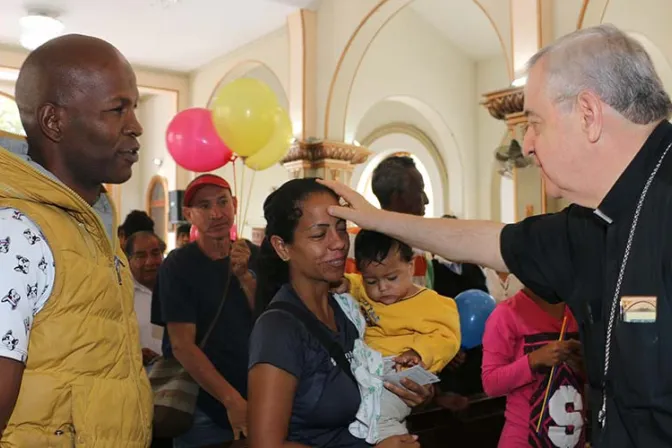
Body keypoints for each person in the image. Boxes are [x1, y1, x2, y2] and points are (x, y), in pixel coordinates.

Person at [319, 23, 672, 447]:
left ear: (588, 114)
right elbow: (486, 241)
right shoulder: (591, 222)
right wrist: (378, 220)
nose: (527, 144)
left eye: (536, 123)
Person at [0, 34, 152, 445]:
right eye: (117, 109)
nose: (136, 126)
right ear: (54, 121)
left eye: (134, 108)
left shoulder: (94, 227)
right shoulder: (18, 233)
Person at [247, 178, 431, 448]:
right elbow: (265, 445)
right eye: (319, 235)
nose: (339, 244)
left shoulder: (348, 310)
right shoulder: (279, 329)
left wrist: (407, 388)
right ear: (282, 247)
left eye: (341, 229)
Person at [154, 173, 258, 447]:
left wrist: (245, 278)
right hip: (201, 404)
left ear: (234, 204)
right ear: (189, 214)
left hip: (257, 396)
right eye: (204, 206)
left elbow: (269, 323)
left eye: (223, 202)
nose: (216, 214)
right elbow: (181, 345)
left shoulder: (254, 256)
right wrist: (231, 400)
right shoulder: (179, 266)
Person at [343, 230, 461, 443]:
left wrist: (418, 352)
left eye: (391, 278)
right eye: (371, 281)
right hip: (366, 366)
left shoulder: (432, 304)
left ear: (411, 265)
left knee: (380, 416)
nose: (382, 287)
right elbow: (349, 283)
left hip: (399, 372)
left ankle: (397, 439)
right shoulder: (360, 289)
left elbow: (446, 337)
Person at [481, 288, 585, 447]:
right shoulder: (506, 312)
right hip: (523, 440)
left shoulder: (580, 311)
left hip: (574, 437)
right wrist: (533, 360)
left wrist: (582, 364)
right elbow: (491, 383)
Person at [345, 156, 432, 288]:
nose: (426, 200)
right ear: (396, 197)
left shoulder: (421, 245)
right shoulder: (352, 244)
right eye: (419, 190)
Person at [125, 231, 166, 365]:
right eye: (141, 256)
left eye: (155, 253)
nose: (150, 262)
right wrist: (134, 354)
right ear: (128, 259)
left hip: (178, 377)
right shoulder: (121, 294)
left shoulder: (177, 287)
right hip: (139, 378)